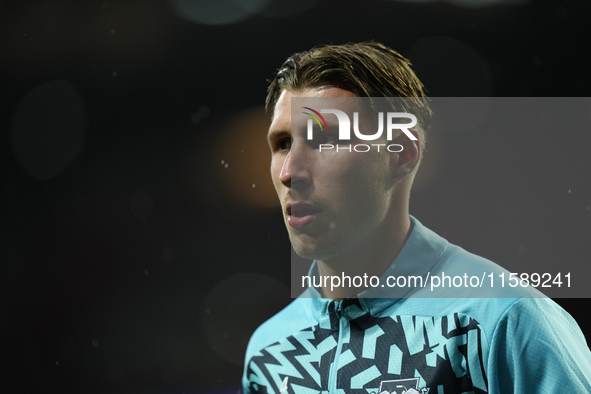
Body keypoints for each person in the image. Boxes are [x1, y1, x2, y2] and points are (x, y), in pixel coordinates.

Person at [242, 42, 591, 394]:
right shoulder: (269, 354)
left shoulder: (501, 320)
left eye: (325, 137)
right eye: (283, 143)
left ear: (402, 156)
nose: (290, 172)